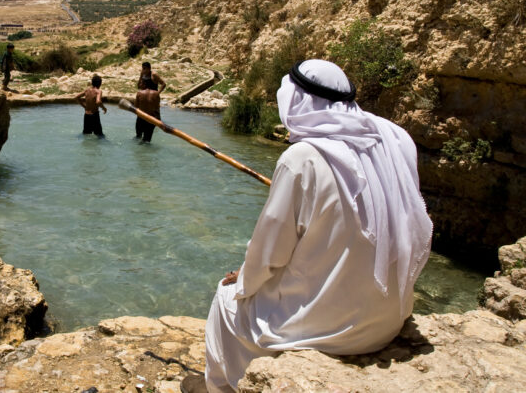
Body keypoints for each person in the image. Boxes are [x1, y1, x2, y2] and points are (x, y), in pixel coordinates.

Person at [183, 60, 433, 393]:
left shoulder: (301, 158)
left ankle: (220, 387)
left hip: (332, 330)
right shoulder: (394, 140)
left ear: (297, 100)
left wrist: (242, 279)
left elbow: (268, 253)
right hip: (387, 322)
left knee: (226, 299)